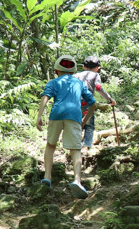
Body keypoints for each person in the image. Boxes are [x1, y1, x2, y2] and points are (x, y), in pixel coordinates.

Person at [35, 55, 96, 199]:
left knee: (50, 145)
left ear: (57, 71)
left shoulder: (53, 82)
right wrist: (85, 120)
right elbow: (93, 104)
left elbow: (45, 97)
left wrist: (39, 116)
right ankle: (76, 180)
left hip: (56, 114)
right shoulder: (79, 83)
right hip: (74, 116)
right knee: (75, 149)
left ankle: (47, 177)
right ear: (74, 71)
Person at [74, 55, 116, 151]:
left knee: (77, 123)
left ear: (84, 67)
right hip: (87, 103)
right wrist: (110, 99)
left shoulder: (76, 75)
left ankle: (75, 146)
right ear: (98, 68)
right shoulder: (96, 75)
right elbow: (98, 87)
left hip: (75, 102)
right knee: (89, 125)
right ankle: (86, 147)